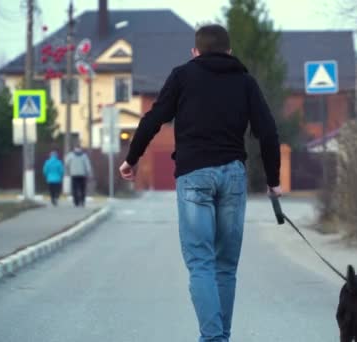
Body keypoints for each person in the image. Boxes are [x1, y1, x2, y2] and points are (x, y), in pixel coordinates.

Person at [119, 24, 282, 342]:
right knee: (225, 266)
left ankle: (214, 339)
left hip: (194, 175)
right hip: (233, 175)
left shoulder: (182, 75)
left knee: (201, 264)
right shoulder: (245, 82)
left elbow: (154, 118)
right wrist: (273, 180)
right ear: (229, 52)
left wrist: (132, 157)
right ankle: (220, 337)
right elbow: (269, 131)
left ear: (195, 52)